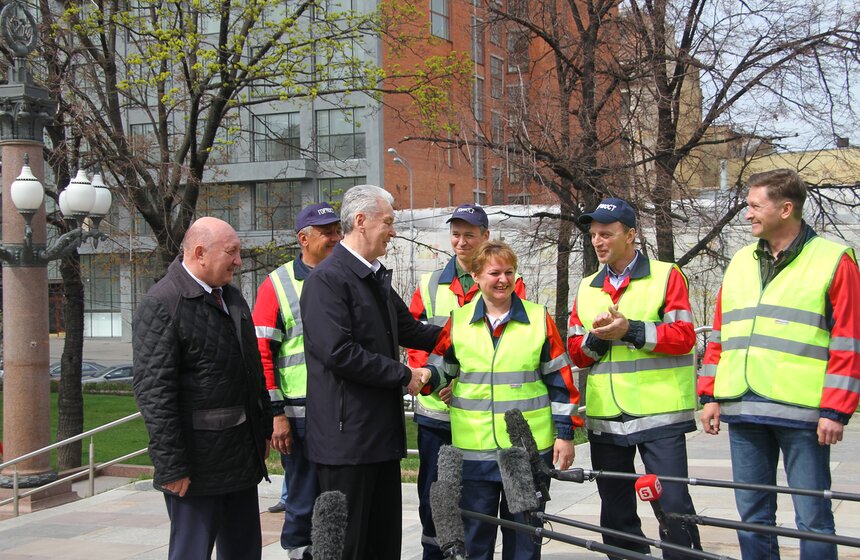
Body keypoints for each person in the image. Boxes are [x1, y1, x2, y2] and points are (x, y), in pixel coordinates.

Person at [699, 169, 860, 560]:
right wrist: (710, 394)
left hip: (803, 413)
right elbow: (720, 333)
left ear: (786, 209)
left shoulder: (833, 261)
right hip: (742, 406)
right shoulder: (739, 261)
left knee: (813, 516)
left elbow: (849, 341)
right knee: (752, 515)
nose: (747, 214)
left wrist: (836, 410)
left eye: (755, 205)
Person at [300, 185, 442, 560]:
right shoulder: (327, 280)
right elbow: (339, 353)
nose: (393, 231)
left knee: (382, 545)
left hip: (379, 439)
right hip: (346, 444)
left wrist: (461, 334)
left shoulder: (373, 275)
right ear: (361, 222)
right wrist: (404, 374)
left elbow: (409, 328)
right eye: (388, 222)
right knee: (348, 547)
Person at [425, 240, 581, 560]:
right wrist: (423, 378)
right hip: (475, 456)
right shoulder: (459, 321)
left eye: (509, 272)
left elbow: (561, 383)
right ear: (477, 276)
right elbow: (441, 369)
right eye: (494, 272)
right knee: (475, 542)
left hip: (524, 455)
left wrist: (565, 434)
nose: (503, 280)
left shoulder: (538, 319)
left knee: (524, 541)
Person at [567, 197, 702, 558]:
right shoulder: (586, 287)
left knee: (673, 507)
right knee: (616, 512)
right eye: (594, 234)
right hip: (606, 419)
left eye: (606, 234)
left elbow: (685, 337)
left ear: (630, 235)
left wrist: (631, 330)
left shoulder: (666, 275)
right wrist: (597, 337)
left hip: (659, 416)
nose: (598, 241)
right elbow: (577, 352)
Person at [132, 217, 272, 560]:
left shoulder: (232, 298)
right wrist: (171, 466)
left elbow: (251, 372)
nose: (239, 261)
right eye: (232, 252)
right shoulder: (163, 303)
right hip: (196, 469)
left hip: (240, 458)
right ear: (200, 253)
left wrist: (264, 428)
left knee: (244, 552)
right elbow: (154, 393)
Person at [407, 203, 526, 560]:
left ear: (485, 237)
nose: (460, 242)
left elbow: (513, 343)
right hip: (436, 415)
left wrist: (460, 383)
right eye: (456, 234)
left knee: (480, 503)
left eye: (469, 235)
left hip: (479, 418)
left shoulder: (505, 280)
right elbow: (415, 343)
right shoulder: (429, 284)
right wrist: (431, 381)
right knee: (436, 497)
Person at [252, 202, 343, 558]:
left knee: (337, 495)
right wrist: (276, 415)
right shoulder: (278, 284)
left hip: (341, 412)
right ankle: (298, 551)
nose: (335, 238)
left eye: (338, 230)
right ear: (303, 239)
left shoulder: (346, 275)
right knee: (303, 495)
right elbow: (263, 354)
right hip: (300, 415)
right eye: (327, 233)